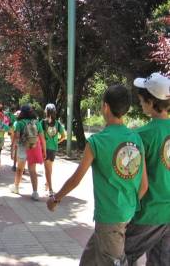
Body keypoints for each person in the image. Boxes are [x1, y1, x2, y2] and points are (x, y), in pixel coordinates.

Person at [47, 85, 147, 265]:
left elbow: (76, 179)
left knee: (113, 261)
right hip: (126, 214)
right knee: (88, 260)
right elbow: (144, 186)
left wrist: (56, 198)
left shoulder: (97, 141)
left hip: (109, 219)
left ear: (106, 107)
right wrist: (128, 207)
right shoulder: (136, 139)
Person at [124, 72, 170, 266]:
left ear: (151, 103)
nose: (140, 103)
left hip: (149, 212)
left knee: (120, 255)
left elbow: (131, 177)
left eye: (142, 100)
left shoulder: (141, 135)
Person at [9, 105, 46, 201]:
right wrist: (44, 151)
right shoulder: (37, 123)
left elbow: (16, 137)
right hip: (33, 147)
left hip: (22, 148)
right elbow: (42, 138)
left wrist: (12, 150)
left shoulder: (19, 123)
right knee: (32, 170)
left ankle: (16, 187)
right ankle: (35, 192)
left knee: (20, 169)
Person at [40, 103, 66, 196]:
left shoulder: (43, 122)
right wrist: (57, 142)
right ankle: (47, 183)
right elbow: (63, 136)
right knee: (49, 168)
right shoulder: (58, 123)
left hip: (45, 148)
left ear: (46, 111)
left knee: (47, 169)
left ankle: (50, 189)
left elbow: (40, 136)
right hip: (54, 148)